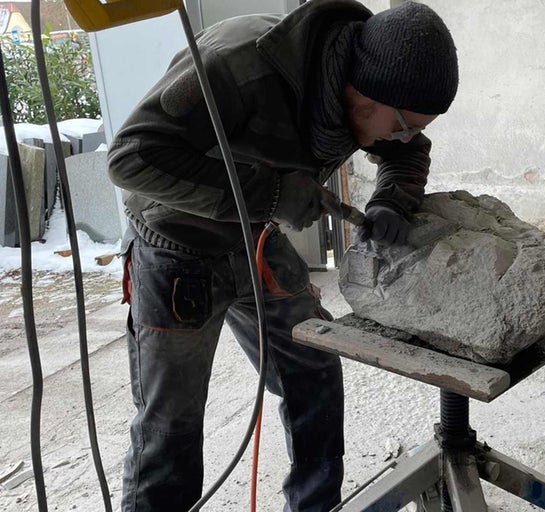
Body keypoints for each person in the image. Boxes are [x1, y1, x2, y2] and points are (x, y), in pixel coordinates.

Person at [107, 0, 458, 510]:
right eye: (401, 123)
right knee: (170, 425)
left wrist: (390, 200)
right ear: (361, 90)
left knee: (313, 373)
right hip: (175, 247)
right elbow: (131, 158)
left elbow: (408, 150)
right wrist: (270, 194)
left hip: (256, 242)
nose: (403, 135)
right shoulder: (240, 66)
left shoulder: (366, 86)